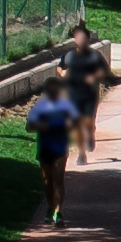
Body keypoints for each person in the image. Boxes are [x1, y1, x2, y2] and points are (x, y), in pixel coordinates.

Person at [22, 77, 80, 226]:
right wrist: (43, 126)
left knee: (58, 179)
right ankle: (50, 207)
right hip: (44, 147)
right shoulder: (39, 107)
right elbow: (29, 128)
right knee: (47, 181)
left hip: (60, 147)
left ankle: (58, 212)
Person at [59, 24, 119, 160]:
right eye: (77, 37)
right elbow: (60, 67)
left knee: (88, 123)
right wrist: (62, 72)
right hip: (73, 94)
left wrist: (94, 76)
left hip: (90, 95)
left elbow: (105, 71)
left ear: (88, 39)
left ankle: (90, 133)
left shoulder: (94, 56)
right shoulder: (69, 56)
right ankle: (81, 153)